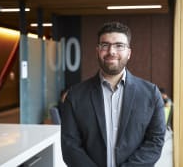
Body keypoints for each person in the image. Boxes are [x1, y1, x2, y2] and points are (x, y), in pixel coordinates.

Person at [61, 21, 166, 167]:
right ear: (97, 50)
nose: (111, 51)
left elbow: (155, 141)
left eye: (119, 45)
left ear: (129, 53)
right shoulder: (75, 96)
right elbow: (70, 146)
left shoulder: (151, 94)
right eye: (105, 45)